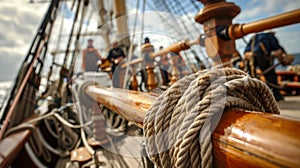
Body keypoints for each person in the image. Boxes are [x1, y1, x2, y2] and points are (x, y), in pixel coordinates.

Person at [244, 30, 285, 101]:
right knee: (270, 76)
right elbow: (278, 50)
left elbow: (246, 51)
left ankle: (251, 96)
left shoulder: (254, 37)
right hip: (262, 56)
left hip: (251, 57)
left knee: (250, 76)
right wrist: (283, 59)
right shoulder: (269, 36)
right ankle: (275, 96)